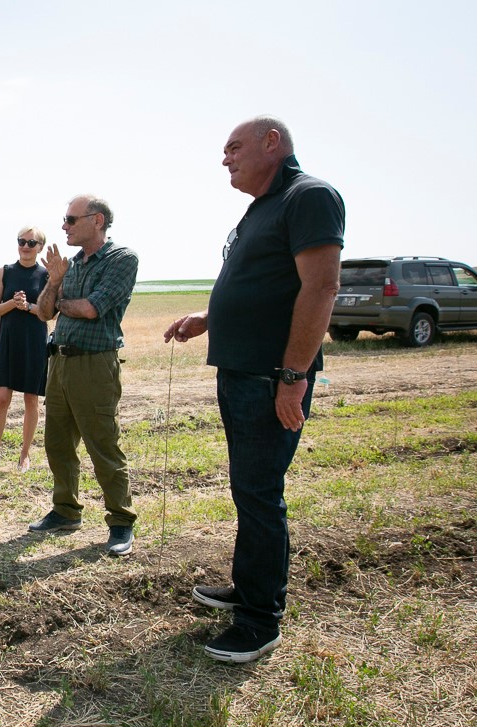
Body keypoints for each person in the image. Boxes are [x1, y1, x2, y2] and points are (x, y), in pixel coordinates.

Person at [165, 116, 344, 663]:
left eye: (234, 147)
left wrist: (293, 376)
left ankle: (260, 620)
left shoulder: (309, 196)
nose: (225, 159)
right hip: (241, 373)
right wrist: (209, 317)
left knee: (260, 493)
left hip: (271, 379)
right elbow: (264, 285)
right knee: (249, 489)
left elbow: (321, 287)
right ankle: (249, 589)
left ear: (272, 143)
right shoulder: (262, 207)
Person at [28, 195, 139, 558]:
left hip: (94, 365)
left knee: (102, 444)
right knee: (58, 443)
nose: (64, 226)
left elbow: (92, 308)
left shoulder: (122, 259)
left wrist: (61, 303)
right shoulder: (71, 265)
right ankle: (65, 511)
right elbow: (43, 312)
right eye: (65, 220)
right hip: (59, 363)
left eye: (71, 220)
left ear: (98, 220)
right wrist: (54, 282)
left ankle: (121, 520)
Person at [0, 226, 49, 474]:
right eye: (21, 241)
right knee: (2, 397)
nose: (25, 246)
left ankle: (25, 454)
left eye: (31, 243)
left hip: (34, 341)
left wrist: (28, 306)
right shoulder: (5, 271)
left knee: (31, 398)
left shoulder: (46, 275)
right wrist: (12, 303)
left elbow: (50, 313)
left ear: (40, 247)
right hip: (9, 340)